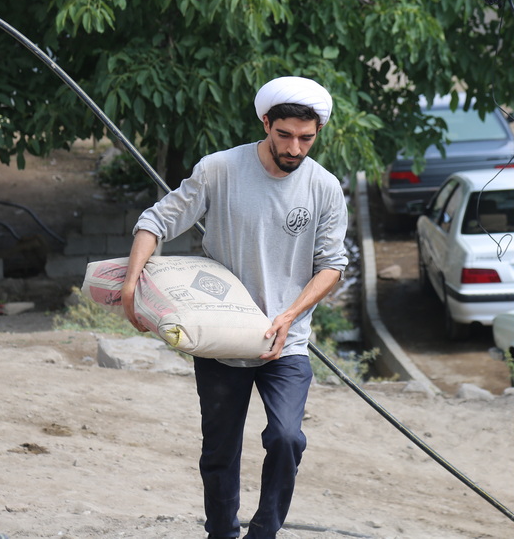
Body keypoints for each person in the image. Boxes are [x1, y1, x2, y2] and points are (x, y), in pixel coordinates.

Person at [120, 76, 349, 539]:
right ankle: (221, 532)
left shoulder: (324, 188)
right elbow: (156, 221)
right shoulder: (219, 170)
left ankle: (264, 532)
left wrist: (289, 314)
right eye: (284, 134)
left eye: (306, 138)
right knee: (220, 450)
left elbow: (332, 265)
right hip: (222, 336)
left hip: (287, 340)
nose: (295, 147)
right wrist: (130, 286)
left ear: (318, 132)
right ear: (265, 122)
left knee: (287, 438)